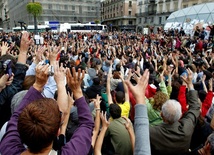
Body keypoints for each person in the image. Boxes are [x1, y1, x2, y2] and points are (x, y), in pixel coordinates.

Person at [0, 65, 94, 155]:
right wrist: (77, 91)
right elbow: (87, 124)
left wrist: (38, 85)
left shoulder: (8, 148)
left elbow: (16, 117)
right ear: (58, 132)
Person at [150, 68, 200, 155]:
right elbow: (195, 107)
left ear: (162, 115)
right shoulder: (186, 128)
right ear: (180, 114)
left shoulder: (152, 132)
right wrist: (190, 85)